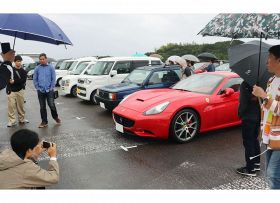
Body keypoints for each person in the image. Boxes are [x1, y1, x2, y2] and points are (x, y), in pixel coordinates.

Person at [252, 45, 280, 189]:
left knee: (274, 174)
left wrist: (264, 96)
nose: (266, 62)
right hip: (270, 135)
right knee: (270, 174)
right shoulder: (271, 81)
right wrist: (260, 97)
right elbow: (268, 107)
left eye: (269, 58)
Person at [236, 81, 261, 177]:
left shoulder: (245, 84)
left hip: (248, 117)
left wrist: (240, 114)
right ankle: (256, 164)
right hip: (258, 116)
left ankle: (250, 169)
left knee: (248, 142)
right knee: (254, 140)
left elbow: (243, 102)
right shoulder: (260, 83)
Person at [33, 53, 61, 128]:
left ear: (46, 59)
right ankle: (44, 121)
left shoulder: (51, 67)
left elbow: (53, 79)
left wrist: (51, 87)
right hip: (40, 91)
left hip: (49, 90)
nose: (42, 60)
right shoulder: (37, 68)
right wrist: (37, 88)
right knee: (42, 107)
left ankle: (55, 117)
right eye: (40, 59)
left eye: (43, 59)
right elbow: (35, 79)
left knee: (51, 105)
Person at [7, 55, 29, 127]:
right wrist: (9, 81)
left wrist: (14, 81)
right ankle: (12, 121)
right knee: (11, 106)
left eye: (20, 61)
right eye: (17, 61)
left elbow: (22, 81)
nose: (19, 63)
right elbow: (7, 79)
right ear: (14, 62)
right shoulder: (10, 70)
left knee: (21, 106)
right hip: (11, 91)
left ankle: (22, 119)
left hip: (20, 91)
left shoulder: (24, 71)